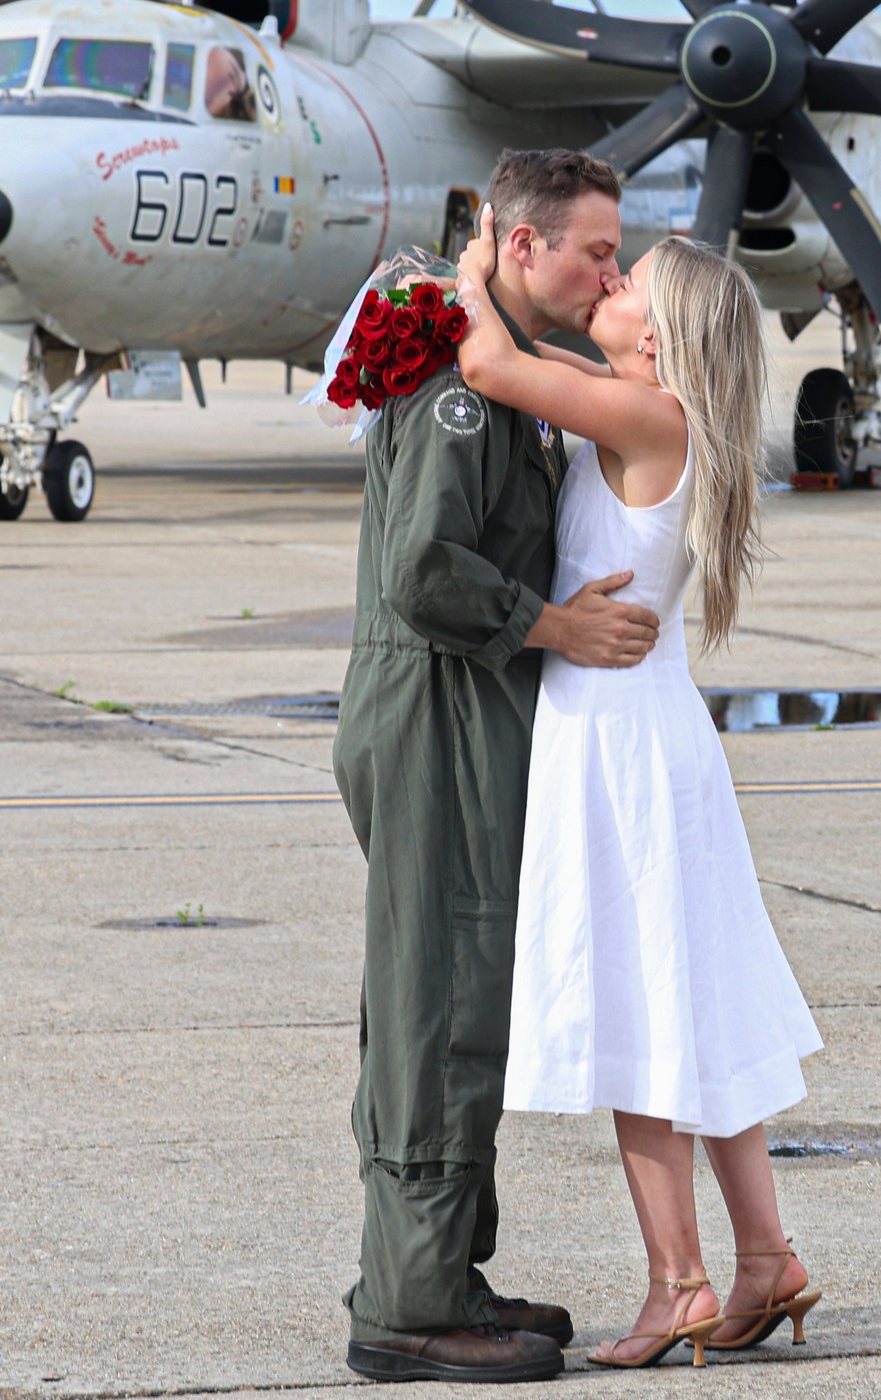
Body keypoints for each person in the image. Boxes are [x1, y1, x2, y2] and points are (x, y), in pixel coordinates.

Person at [456, 207, 824, 1370]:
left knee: (636, 1012)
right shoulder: (655, 408)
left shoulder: (641, 411)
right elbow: (539, 361)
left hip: (614, 736)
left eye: (628, 284)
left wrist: (477, 257)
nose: (606, 283)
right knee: (690, 1005)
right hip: (648, 729)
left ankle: (679, 1283)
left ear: (657, 340)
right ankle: (764, 1257)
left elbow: (487, 362)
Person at [332, 148, 663, 1385]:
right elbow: (427, 569)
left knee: (459, 987)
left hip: (456, 710)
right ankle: (411, 1304)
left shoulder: (502, 368)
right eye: (590, 248)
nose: (607, 269)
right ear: (522, 247)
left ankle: (441, 1267)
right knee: (437, 1001)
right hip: (436, 712)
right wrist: (556, 622)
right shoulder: (461, 394)